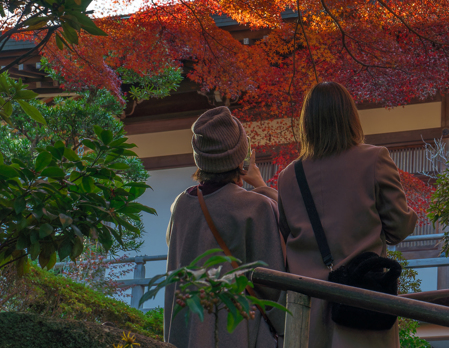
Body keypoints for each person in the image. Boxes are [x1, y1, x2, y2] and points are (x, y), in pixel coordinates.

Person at [276, 81, 418, 348]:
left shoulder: (288, 177)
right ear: (350, 117)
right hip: (361, 303)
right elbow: (399, 227)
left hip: (306, 312)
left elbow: (285, 235)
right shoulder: (374, 159)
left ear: (307, 123)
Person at [164, 107, 286, 348]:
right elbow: (276, 285)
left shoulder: (181, 205)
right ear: (242, 157)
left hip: (189, 329)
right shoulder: (257, 207)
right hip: (241, 329)